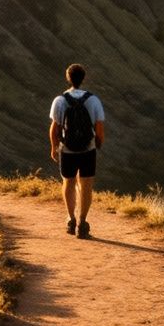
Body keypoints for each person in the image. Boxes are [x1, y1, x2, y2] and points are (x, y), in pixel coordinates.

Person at [48, 62, 106, 238]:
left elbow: (54, 129)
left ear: (68, 78)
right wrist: (98, 143)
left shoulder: (60, 101)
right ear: (83, 78)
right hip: (88, 149)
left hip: (67, 149)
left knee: (69, 183)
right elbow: (99, 128)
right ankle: (82, 222)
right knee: (86, 185)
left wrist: (53, 147)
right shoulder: (94, 100)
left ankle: (70, 219)